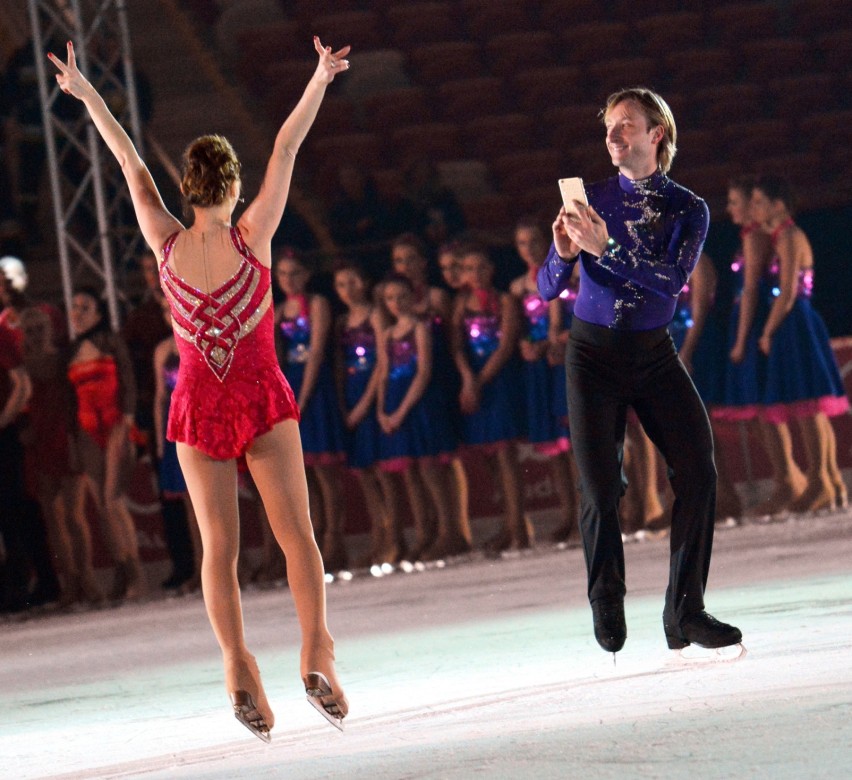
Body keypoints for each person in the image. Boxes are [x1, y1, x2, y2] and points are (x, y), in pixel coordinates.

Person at [50, 36, 350, 739]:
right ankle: (316, 648)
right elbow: (285, 150)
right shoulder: (254, 234)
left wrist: (89, 94)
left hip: (198, 402)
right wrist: (318, 79)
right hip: (258, 394)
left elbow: (126, 159)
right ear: (235, 186)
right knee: (296, 537)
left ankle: (237, 665)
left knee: (220, 546)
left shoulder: (165, 240)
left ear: (185, 189)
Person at [537, 87, 741, 655]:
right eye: (608, 126)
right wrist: (563, 253)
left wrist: (605, 249)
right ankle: (606, 598)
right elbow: (547, 287)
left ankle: (686, 610)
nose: (612, 135)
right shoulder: (593, 198)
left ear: (657, 135)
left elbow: (672, 283)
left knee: (699, 470)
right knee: (602, 488)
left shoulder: (688, 208)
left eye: (626, 125)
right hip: (591, 355)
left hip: (654, 355)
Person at [750, 175, 848, 512]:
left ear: (778, 205)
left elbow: (789, 291)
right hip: (795, 321)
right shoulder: (781, 236)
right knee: (809, 408)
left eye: (761, 202)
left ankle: (822, 481)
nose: (756, 208)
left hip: (796, 322)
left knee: (810, 407)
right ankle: (831, 483)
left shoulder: (790, 235)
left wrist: (767, 331)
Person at [715, 177, 808, 517]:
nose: (735, 209)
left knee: (764, 410)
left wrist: (741, 340)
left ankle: (790, 477)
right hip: (749, 322)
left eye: (738, 202)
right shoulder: (750, 237)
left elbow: (752, 290)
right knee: (758, 412)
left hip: (752, 324)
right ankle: (789, 476)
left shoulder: (755, 237)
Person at [66, 287, 145, 602]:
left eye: (85, 307)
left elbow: (128, 380)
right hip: (86, 430)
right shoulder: (69, 352)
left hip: (114, 424)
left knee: (113, 500)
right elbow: (68, 400)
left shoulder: (111, 342)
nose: (78, 312)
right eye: (74, 307)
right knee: (101, 506)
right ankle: (121, 571)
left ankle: (136, 575)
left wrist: (127, 421)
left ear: (99, 313)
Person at [274, 250, 349, 572]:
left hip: (312, 389)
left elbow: (316, 352)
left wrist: (301, 399)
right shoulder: (277, 311)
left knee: (325, 473)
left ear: (306, 275)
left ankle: (335, 541)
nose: (287, 280)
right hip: (289, 386)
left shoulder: (317, 303)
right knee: (304, 477)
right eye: (282, 274)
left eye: (294, 273)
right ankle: (314, 541)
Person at [452, 244, 529, 553]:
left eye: (481, 267)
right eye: (470, 269)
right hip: (474, 380)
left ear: (491, 269)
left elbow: (506, 343)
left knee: (507, 457)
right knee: (490, 458)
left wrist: (480, 381)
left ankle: (519, 529)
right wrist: (468, 379)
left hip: (499, 381)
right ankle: (509, 524)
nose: (476, 274)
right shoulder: (461, 303)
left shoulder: (505, 300)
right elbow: (456, 346)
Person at [376, 273, 458, 560]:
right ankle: (425, 533)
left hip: (419, 403)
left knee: (430, 469)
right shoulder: (387, 334)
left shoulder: (421, 328)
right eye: (390, 298)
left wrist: (399, 412)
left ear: (412, 297)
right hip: (395, 403)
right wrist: (382, 411)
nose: (396, 303)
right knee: (410, 473)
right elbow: (384, 374)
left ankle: (450, 532)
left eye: (401, 297)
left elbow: (423, 372)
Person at [510, 218, 579, 543]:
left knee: (576, 443)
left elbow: (559, 317)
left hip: (564, 357)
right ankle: (568, 513)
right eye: (522, 243)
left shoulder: (564, 269)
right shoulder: (517, 287)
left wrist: (551, 342)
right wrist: (526, 343)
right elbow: (520, 327)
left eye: (534, 241)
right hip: (540, 368)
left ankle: (588, 512)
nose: (530, 249)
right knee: (555, 446)